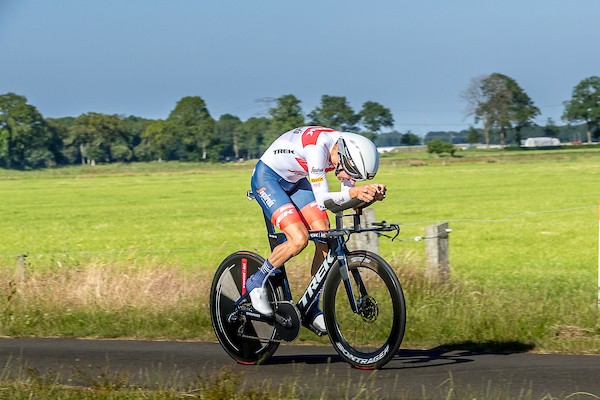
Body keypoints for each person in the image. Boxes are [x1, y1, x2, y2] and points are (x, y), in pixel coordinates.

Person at [247, 126, 386, 333]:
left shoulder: (344, 152)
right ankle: (256, 282)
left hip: (296, 179)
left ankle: (311, 306)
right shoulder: (317, 147)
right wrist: (355, 192)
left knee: (324, 233)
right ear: (344, 157)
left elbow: (344, 201)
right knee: (299, 239)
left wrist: (366, 197)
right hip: (268, 179)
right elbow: (323, 201)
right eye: (351, 172)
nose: (350, 178)